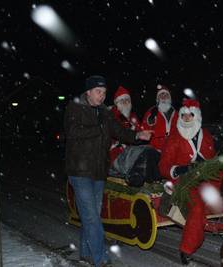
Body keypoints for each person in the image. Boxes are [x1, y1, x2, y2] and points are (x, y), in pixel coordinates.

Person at [64, 75, 151, 267]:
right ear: (88, 92)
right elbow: (72, 133)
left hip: (98, 170)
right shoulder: (75, 108)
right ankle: (100, 259)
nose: (102, 96)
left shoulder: (104, 112)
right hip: (80, 170)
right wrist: (99, 128)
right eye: (98, 92)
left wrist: (137, 135)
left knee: (92, 214)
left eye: (104, 92)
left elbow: (119, 131)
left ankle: (86, 253)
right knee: (91, 217)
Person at [158, 99, 220, 264]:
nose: (186, 118)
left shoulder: (205, 136)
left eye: (190, 115)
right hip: (184, 182)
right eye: (183, 115)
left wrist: (208, 164)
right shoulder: (175, 137)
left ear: (196, 116)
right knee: (197, 207)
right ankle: (186, 249)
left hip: (205, 178)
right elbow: (164, 166)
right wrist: (179, 169)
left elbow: (212, 159)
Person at [109, 85, 141, 164]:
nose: (125, 102)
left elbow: (139, 135)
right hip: (114, 155)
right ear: (117, 103)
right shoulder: (111, 115)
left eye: (127, 100)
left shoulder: (133, 118)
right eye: (122, 100)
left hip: (130, 153)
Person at [141, 85, 178, 152]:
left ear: (169, 98)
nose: (163, 96)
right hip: (155, 149)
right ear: (157, 99)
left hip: (172, 148)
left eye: (166, 94)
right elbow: (144, 129)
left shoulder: (176, 113)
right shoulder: (151, 112)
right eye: (161, 95)